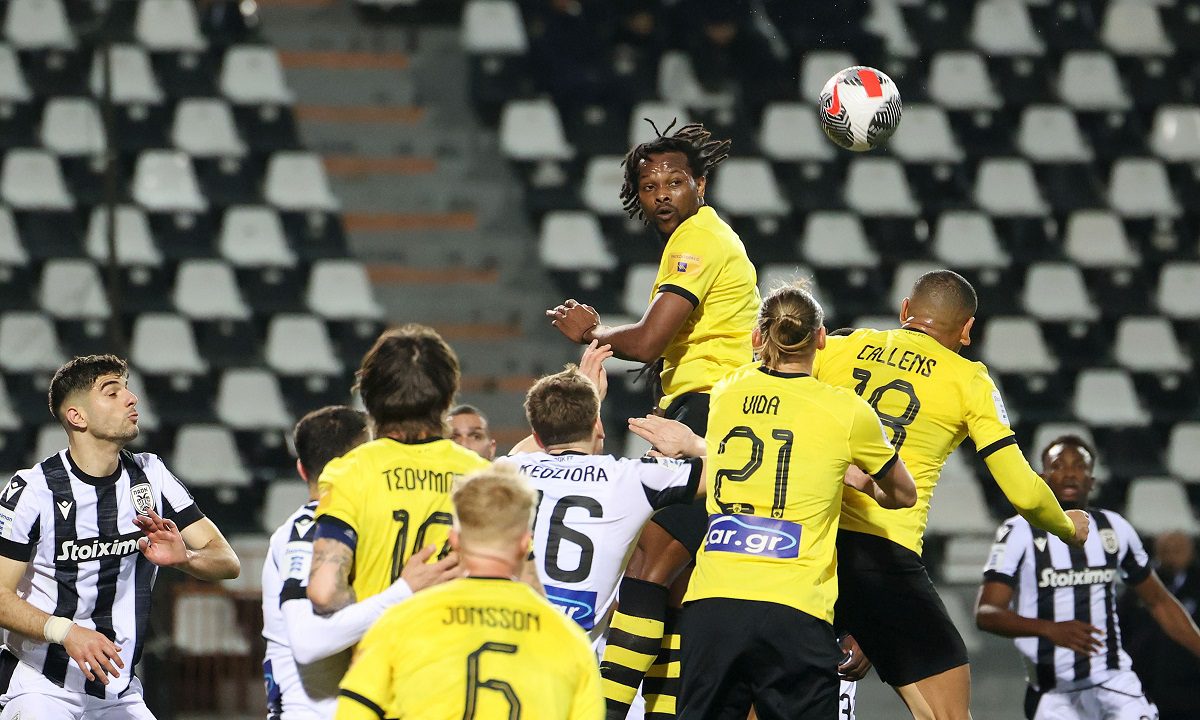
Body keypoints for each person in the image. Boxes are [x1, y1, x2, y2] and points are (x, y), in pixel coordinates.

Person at [547, 120, 760, 718]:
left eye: (674, 182)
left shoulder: (699, 241)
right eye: (649, 186)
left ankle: (606, 710)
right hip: (706, 410)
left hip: (711, 411)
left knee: (649, 564)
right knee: (671, 583)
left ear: (701, 185)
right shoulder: (698, 239)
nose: (662, 194)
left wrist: (590, 333)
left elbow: (647, 341)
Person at [810, 269, 1090, 720]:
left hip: (804, 539)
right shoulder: (968, 380)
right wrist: (1067, 526)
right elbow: (1022, 490)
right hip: (882, 554)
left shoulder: (840, 346)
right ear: (967, 330)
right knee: (947, 713)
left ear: (905, 310)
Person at [629, 282, 916, 718]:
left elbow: (740, 457)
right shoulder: (847, 410)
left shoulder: (726, 392)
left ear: (757, 337)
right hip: (795, 608)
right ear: (821, 338)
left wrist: (695, 445)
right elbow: (904, 494)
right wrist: (855, 480)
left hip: (713, 604)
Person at [0, 355, 240, 719]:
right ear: (77, 417)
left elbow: (227, 561)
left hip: (119, 692)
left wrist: (185, 559)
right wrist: (66, 632)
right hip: (42, 687)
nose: (131, 398)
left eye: (126, 388)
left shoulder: (151, 475)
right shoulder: (34, 490)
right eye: (112, 393)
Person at [335, 465, 604, 720]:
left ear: (454, 540)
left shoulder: (399, 623)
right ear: (525, 544)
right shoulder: (569, 640)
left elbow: (353, 712)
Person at [501, 341, 704, 656]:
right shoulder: (631, 479)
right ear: (598, 426)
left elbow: (523, 450)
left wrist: (581, 403)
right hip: (572, 663)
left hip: (508, 645)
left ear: (538, 435)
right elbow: (732, 471)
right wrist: (692, 443)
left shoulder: (509, 471)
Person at [976, 436, 1200, 720]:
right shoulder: (1018, 532)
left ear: (1091, 480)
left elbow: (1159, 602)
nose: (1070, 473)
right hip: (1053, 691)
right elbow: (987, 613)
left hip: (1114, 682)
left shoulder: (1114, 528)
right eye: (1059, 465)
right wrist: (1049, 629)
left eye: (1079, 466)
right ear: (1043, 478)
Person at [262, 406, 461, 719]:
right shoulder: (306, 530)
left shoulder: (361, 526)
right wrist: (404, 591)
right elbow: (308, 641)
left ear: (301, 469)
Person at [307, 325, 491, 616]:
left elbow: (324, 592)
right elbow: (525, 586)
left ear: (368, 395)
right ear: (447, 396)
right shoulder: (485, 477)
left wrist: (387, 599)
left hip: (379, 641)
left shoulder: (349, 472)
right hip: (456, 641)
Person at [1119, 531, 1200, 720]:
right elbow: (1121, 628)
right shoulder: (1139, 587)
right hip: (1145, 686)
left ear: (1191, 552)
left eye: (1177, 550)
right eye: (1165, 550)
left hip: (1191, 690)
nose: (1171, 556)